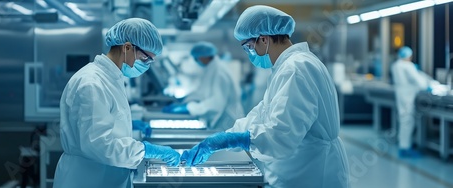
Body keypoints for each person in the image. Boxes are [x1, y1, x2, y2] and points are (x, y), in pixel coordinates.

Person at [180, 5, 349, 188]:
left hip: (310, 174)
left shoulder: (296, 68)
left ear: (263, 39)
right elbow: (261, 114)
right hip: (297, 171)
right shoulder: (287, 67)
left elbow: (280, 135)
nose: (249, 53)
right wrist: (225, 137)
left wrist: (237, 139)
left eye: (249, 46)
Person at [53, 18, 180, 188]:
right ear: (127, 48)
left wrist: (128, 124)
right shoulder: (92, 83)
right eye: (146, 59)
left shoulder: (111, 78)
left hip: (104, 176)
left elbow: (102, 121)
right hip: (89, 179)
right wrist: (146, 150)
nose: (147, 66)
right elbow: (99, 144)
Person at [162, 42, 244, 130]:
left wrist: (189, 108)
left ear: (204, 57)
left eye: (196, 58)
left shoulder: (219, 72)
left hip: (227, 121)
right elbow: (201, 92)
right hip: (221, 120)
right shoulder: (211, 68)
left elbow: (216, 103)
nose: (196, 61)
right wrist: (184, 99)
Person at [391, 46, 429, 158]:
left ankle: (404, 146)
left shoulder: (396, 65)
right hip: (408, 96)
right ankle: (405, 148)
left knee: (404, 120)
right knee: (408, 121)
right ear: (408, 56)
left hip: (400, 95)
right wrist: (428, 85)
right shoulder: (408, 66)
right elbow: (420, 82)